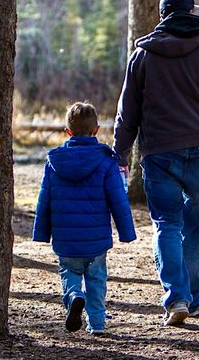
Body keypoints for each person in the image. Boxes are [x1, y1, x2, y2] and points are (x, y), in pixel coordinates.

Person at [113, 0, 199, 326]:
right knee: (194, 228)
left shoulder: (142, 56)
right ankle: (194, 299)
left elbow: (127, 114)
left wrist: (121, 153)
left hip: (159, 152)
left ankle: (177, 299)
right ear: (190, 13)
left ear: (162, 17)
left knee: (167, 225)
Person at [33, 101, 137, 334]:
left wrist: (41, 233)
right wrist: (126, 232)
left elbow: (44, 199)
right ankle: (97, 323)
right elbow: (117, 199)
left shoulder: (54, 163)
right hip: (96, 238)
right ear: (96, 130)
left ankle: (73, 296)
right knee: (97, 279)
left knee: (69, 272)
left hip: (66, 237)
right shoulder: (106, 161)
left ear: (68, 131)